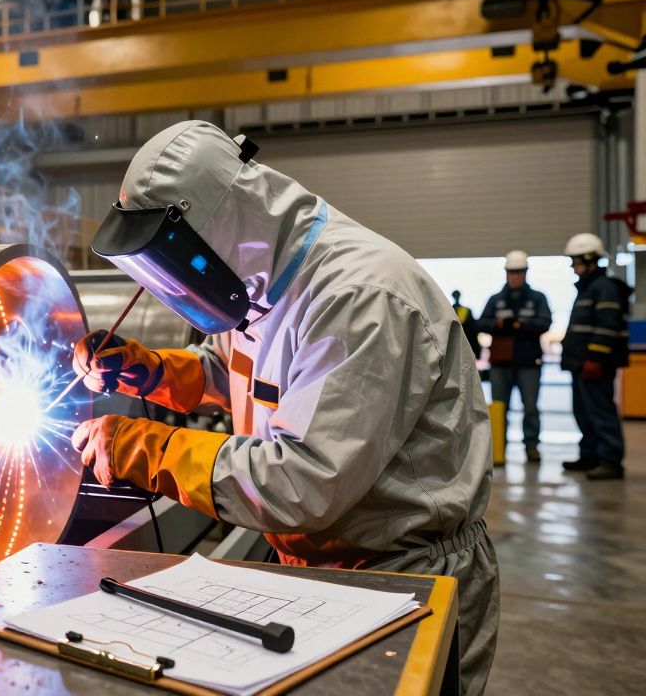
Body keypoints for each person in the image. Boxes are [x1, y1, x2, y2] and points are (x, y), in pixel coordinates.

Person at [70, 121, 498, 695]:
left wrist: (149, 448)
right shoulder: (262, 279)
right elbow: (233, 373)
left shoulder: (359, 297)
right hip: (323, 571)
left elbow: (303, 480)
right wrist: (152, 369)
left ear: (221, 223)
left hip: (405, 577)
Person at [560, 233, 630, 480]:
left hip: (594, 364)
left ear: (590, 260)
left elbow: (606, 327)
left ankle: (610, 460)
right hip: (582, 363)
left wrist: (595, 359)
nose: (573, 266)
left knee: (600, 411)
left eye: (576, 261)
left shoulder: (604, 287)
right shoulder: (588, 288)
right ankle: (590, 455)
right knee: (584, 412)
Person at [478, 251, 553, 463]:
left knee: (530, 408)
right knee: (500, 408)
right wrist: (499, 325)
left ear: (525, 273)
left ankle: (532, 447)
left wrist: (521, 326)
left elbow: (545, 323)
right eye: (511, 272)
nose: (514, 276)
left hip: (529, 363)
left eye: (518, 272)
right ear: (506, 274)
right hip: (501, 364)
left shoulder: (538, 298)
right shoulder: (496, 300)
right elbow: (481, 323)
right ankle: (498, 448)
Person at [453, 289, 483, 359]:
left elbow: (473, 332)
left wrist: (476, 351)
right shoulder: (450, 310)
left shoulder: (467, 311)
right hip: (456, 345)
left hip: (466, 344)